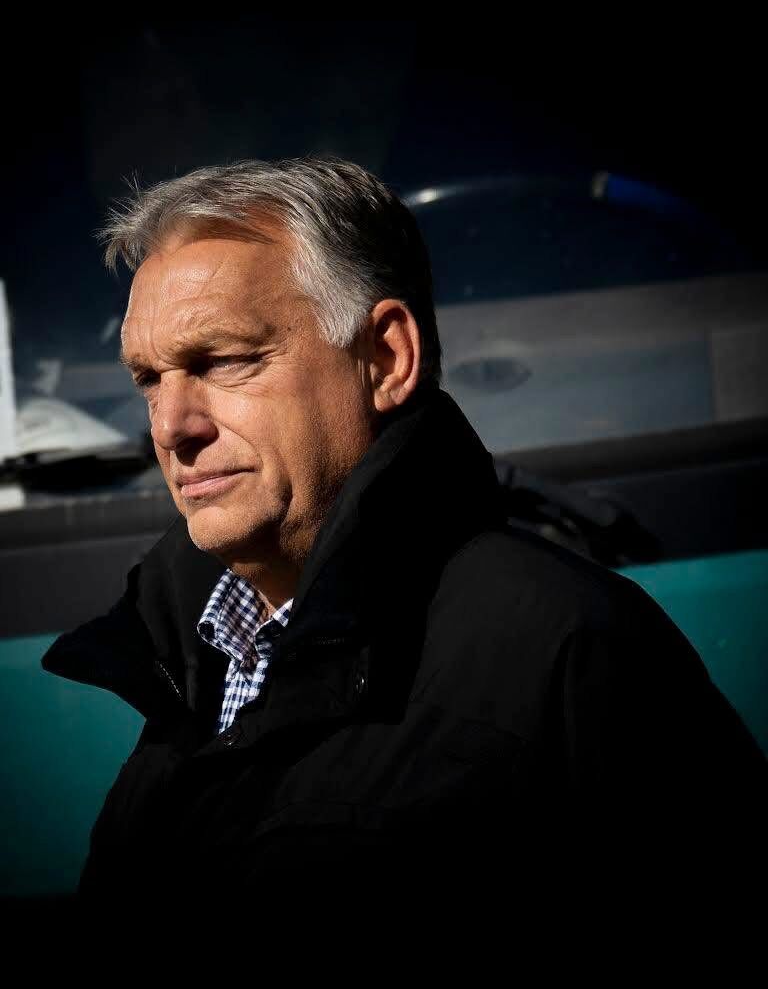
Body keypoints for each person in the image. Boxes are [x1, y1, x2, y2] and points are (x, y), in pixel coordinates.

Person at [41, 157, 766, 919]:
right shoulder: (183, 670)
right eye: (149, 380)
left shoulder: (574, 651)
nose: (168, 427)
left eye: (222, 360)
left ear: (386, 358)